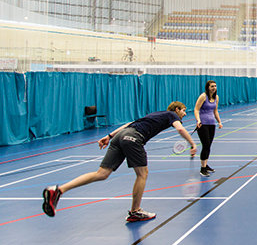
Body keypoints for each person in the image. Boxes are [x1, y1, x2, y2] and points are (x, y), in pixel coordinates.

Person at [42, 102, 197, 222]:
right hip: (134, 138)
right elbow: (180, 129)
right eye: (184, 110)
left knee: (102, 173)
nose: (184, 113)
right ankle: (135, 212)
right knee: (142, 174)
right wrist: (192, 143)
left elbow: (129, 124)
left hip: (120, 135)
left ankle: (58, 190)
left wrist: (109, 136)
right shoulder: (172, 115)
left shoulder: (156, 114)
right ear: (176, 109)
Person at [194, 80, 223, 177]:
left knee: (208, 146)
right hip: (203, 124)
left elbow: (215, 111)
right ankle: (202, 169)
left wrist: (219, 121)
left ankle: (205, 165)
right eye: (212, 86)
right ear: (208, 87)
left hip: (212, 124)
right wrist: (198, 120)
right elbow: (196, 109)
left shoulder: (216, 97)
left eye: (215, 86)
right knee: (205, 145)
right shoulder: (203, 96)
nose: (214, 88)